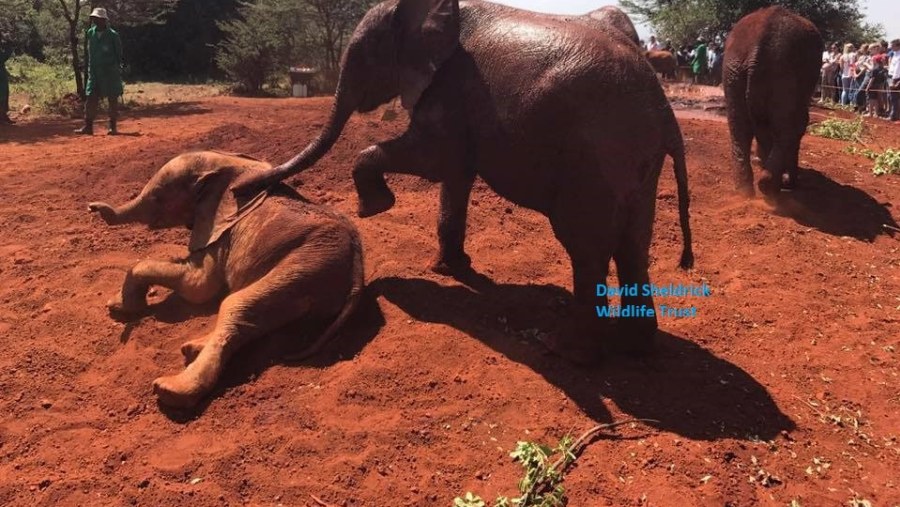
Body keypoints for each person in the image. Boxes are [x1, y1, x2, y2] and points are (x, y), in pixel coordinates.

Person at [75, 8, 124, 135]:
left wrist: (118, 68)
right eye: (94, 18)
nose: (95, 21)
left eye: (98, 18)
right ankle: (88, 126)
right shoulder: (90, 33)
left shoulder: (113, 35)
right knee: (90, 98)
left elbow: (119, 54)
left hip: (110, 72)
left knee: (112, 99)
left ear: (104, 20)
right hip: (95, 72)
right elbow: (90, 53)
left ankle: (112, 126)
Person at [0, 36, 12, 125]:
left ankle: (4, 116)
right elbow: (3, 58)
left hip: (2, 74)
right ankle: (2, 117)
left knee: (4, 95)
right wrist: (9, 47)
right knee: (2, 96)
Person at [889, 39, 900, 121]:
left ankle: (894, 116)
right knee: (892, 97)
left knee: (894, 97)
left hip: (896, 78)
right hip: (892, 76)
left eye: (893, 45)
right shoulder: (895, 54)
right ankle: (894, 115)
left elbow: (897, 69)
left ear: (898, 45)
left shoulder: (899, 56)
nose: (891, 47)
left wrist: (893, 81)